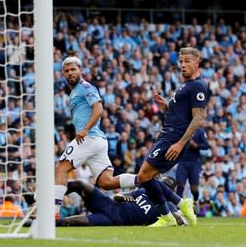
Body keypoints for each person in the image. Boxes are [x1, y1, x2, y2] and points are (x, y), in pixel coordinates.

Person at [54, 56, 137, 220]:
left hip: (89, 138)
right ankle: (144, 178)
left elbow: (98, 109)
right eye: (67, 71)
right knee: (106, 182)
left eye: (73, 70)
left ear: (81, 71)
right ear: (63, 74)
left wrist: (85, 129)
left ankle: (53, 212)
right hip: (98, 141)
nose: (70, 73)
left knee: (61, 168)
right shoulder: (74, 92)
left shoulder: (85, 87)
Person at [135, 47, 208, 227]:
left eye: (187, 61)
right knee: (146, 176)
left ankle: (169, 214)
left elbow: (198, 118)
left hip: (173, 138)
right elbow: (182, 114)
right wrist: (166, 108)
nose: (182, 65)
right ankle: (180, 204)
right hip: (167, 135)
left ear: (196, 63)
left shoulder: (198, 86)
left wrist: (180, 143)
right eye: (181, 61)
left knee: (144, 176)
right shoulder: (185, 85)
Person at [23, 177, 187, 227]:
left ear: (169, 192)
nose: (158, 187)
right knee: (80, 184)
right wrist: (120, 196)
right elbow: (121, 195)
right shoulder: (144, 191)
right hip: (109, 204)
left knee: (71, 222)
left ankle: (34, 223)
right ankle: (38, 197)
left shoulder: (169, 207)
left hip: (115, 220)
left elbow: (180, 220)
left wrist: (181, 216)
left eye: (163, 186)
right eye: (159, 184)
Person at [176, 127, 209, 201]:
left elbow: (206, 145)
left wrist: (196, 145)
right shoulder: (182, 128)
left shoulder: (200, 131)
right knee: (180, 185)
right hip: (182, 161)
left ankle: (195, 201)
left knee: (194, 188)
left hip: (194, 162)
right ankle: (177, 207)